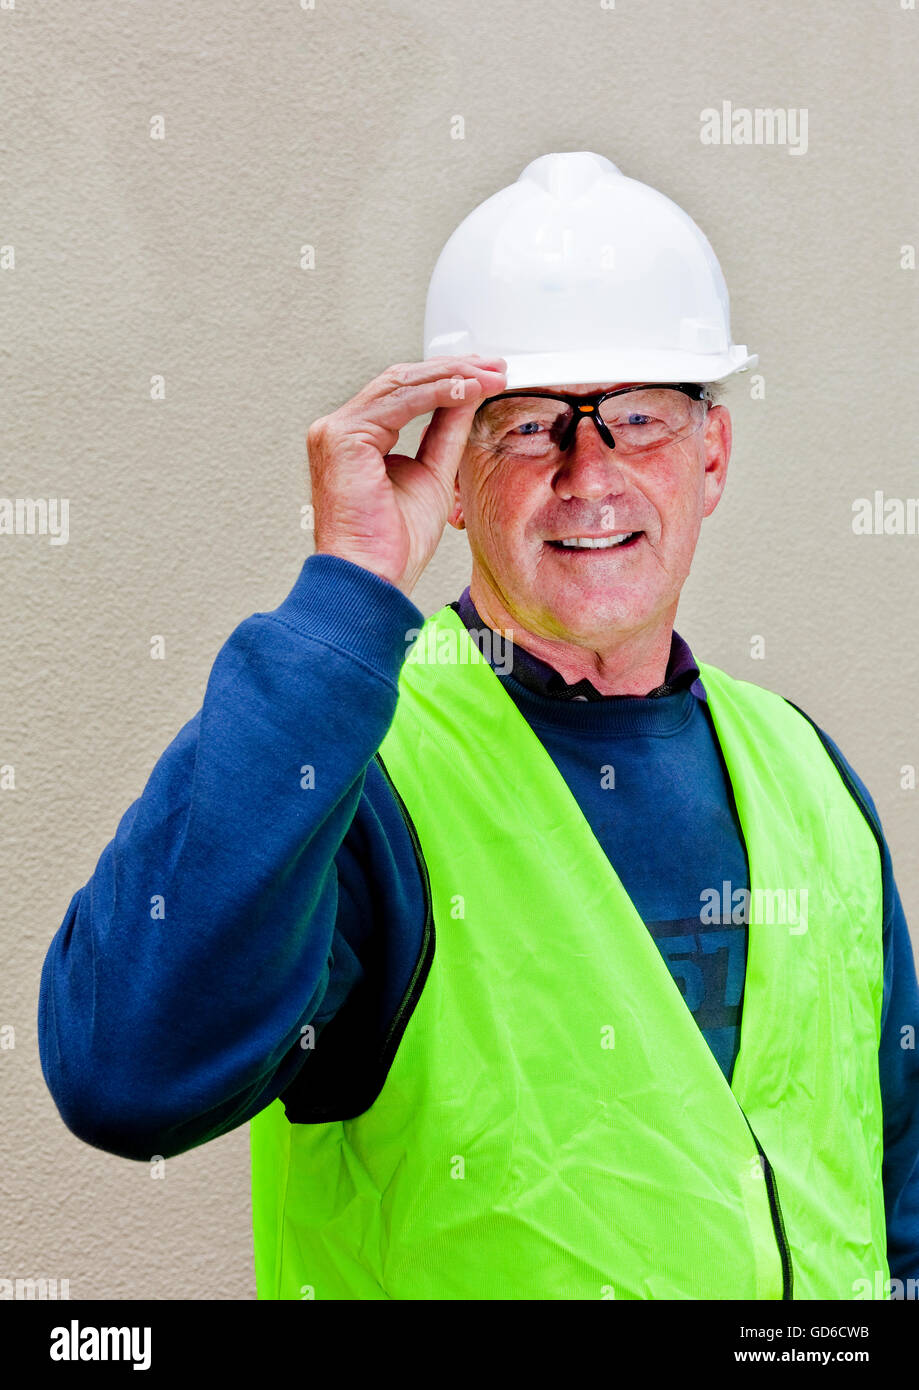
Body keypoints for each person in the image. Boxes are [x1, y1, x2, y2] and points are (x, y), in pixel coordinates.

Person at [39, 152, 919, 1300]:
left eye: (639, 417)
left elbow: (890, 1197)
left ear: (712, 454)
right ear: (451, 481)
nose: (588, 475)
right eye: (529, 429)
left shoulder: (800, 767)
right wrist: (346, 590)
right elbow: (125, 1075)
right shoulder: (359, 775)